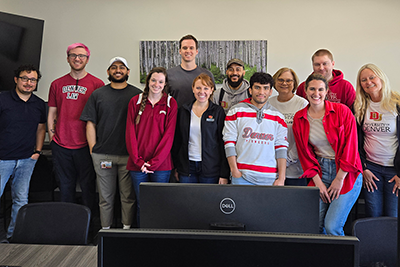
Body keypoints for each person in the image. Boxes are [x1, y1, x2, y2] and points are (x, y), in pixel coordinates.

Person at [293, 73, 362, 236]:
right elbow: (305, 154)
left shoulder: (342, 111)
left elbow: (351, 149)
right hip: (320, 171)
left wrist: (339, 179)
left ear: (326, 92)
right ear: (305, 90)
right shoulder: (300, 118)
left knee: (332, 227)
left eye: (320, 89)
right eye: (312, 89)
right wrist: (318, 182)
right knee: (313, 224)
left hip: (346, 173)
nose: (316, 93)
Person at [80, 57, 141, 229]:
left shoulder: (137, 95)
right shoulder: (98, 94)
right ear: (108, 72)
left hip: (128, 156)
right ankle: (105, 231)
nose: (118, 70)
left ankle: (126, 230)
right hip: (103, 155)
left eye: (122, 67)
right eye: (113, 67)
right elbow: (90, 123)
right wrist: (93, 151)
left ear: (128, 72)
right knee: (105, 197)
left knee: (127, 197)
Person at [48, 43, 104, 211]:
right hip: (61, 145)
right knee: (65, 188)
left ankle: (88, 229)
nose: (77, 58)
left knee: (88, 188)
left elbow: (100, 116)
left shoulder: (97, 84)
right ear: (67, 58)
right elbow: (52, 113)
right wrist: (52, 139)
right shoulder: (57, 84)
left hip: (86, 146)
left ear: (87, 59)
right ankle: (68, 227)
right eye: (73, 55)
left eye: (81, 56)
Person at [126, 67, 177, 224]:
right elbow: (129, 133)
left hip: (161, 166)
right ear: (148, 81)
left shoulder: (170, 103)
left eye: (161, 81)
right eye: (153, 80)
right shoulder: (135, 101)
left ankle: (159, 238)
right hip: (137, 166)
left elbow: (169, 137)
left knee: (160, 204)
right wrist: (139, 161)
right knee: (143, 204)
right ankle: (144, 239)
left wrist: (154, 162)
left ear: (165, 84)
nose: (157, 84)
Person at [0, 65, 46, 239]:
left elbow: (41, 128)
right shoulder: (3, 99)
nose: (28, 83)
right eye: (25, 79)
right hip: (2, 159)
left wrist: (38, 151)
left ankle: (15, 236)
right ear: (16, 79)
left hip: (27, 159)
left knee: (21, 200)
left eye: (32, 80)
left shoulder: (39, 104)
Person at [223, 72, 288, 186]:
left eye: (265, 88)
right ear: (250, 90)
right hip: (242, 177)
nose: (261, 92)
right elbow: (229, 142)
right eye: (257, 88)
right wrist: (234, 170)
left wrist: (281, 178)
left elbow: (281, 148)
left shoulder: (278, 117)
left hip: (270, 178)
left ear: (270, 91)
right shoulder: (235, 111)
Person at [355, 63, 400, 217]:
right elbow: (356, 142)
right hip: (371, 170)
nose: (368, 82)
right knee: (373, 215)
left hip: (394, 171)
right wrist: (364, 169)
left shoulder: (397, 103)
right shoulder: (360, 106)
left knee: (392, 216)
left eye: (372, 77)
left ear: (381, 78)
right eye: (364, 80)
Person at [173, 73, 229, 184]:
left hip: (211, 168)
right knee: (187, 200)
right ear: (193, 89)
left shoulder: (218, 112)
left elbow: (223, 143)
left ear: (212, 90)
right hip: (187, 167)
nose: (201, 92)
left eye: (206, 88)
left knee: (208, 201)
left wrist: (224, 173)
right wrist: (177, 167)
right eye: (198, 87)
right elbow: (177, 141)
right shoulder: (184, 110)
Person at [269, 67, 308, 186]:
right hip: (272, 168)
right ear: (275, 82)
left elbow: (303, 138)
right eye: (280, 80)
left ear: (294, 83)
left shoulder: (302, 104)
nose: (284, 83)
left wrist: (287, 160)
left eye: (288, 80)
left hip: (295, 169)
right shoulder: (268, 103)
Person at [167, 34, 214, 107]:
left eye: (191, 48)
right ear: (180, 51)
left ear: (196, 51)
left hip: (202, 117)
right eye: (185, 48)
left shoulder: (207, 75)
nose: (188, 51)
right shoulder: (169, 74)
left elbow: (212, 100)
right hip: (177, 118)